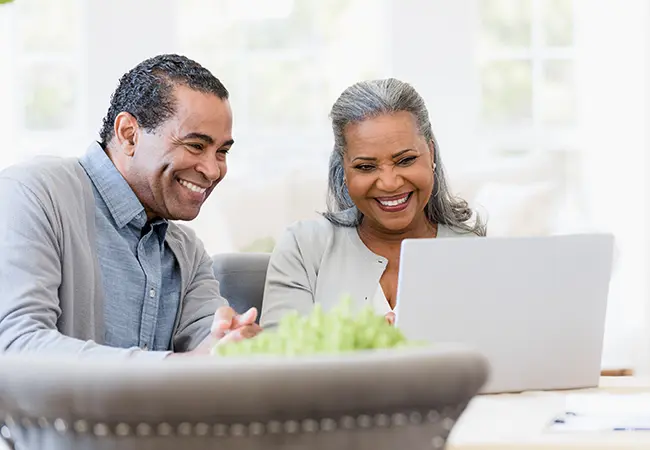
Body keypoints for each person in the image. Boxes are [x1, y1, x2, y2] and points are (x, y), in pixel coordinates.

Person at [0, 54, 260, 358]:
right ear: (128, 134)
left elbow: (209, 344)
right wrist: (179, 367)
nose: (213, 170)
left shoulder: (187, 252)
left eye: (222, 152)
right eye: (196, 146)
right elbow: (16, 346)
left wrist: (231, 345)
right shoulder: (32, 194)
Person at [260, 78, 486, 328]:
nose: (389, 183)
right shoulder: (304, 247)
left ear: (430, 153)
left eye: (405, 160)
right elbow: (278, 358)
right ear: (344, 169)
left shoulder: (475, 254)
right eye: (366, 167)